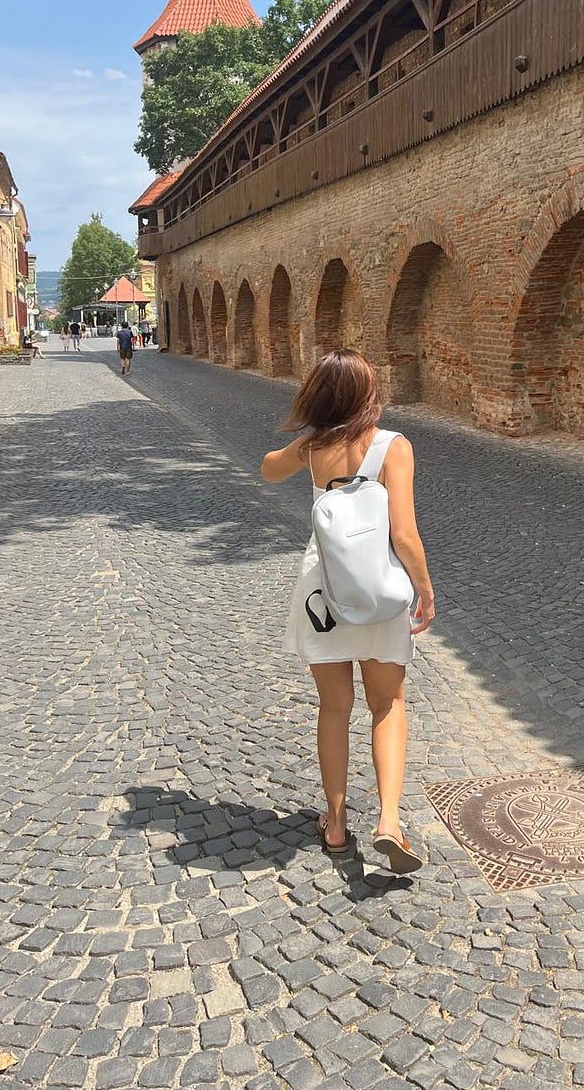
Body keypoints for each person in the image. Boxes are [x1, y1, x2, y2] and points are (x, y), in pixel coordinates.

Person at [261, 350, 435, 874]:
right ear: (368, 395)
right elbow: (403, 534)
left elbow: (269, 470)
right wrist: (424, 588)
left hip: (324, 594)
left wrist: (307, 441)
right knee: (388, 704)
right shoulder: (392, 447)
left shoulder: (314, 447)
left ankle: (335, 824)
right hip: (379, 589)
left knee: (334, 708)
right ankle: (388, 821)